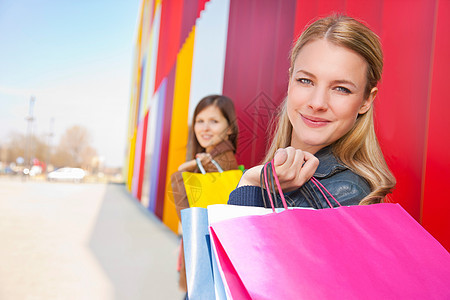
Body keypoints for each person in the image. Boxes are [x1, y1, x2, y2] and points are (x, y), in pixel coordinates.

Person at [228, 14, 395, 208]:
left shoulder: (345, 193)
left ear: (366, 100)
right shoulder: (279, 175)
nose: (317, 103)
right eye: (305, 81)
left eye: (341, 88)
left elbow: (240, 239)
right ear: (290, 81)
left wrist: (251, 184)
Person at [170, 94, 239, 295]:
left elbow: (187, 217)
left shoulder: (218, 165)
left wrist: (181, 174)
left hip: (208, 265)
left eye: (214, 121)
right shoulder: (210, 160)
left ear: (229, 129)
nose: (204, 128)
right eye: (200, 121)